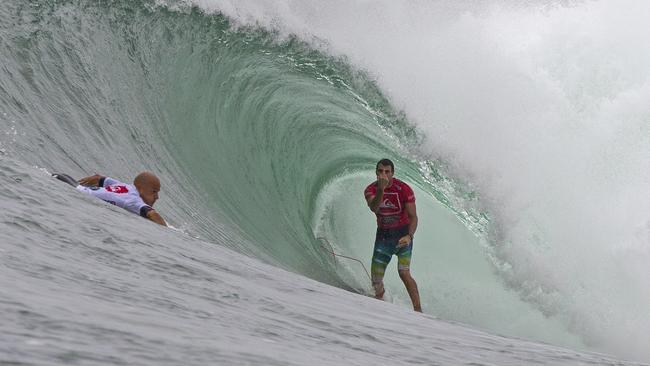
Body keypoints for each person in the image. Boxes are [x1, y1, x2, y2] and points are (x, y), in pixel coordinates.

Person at [364, 158, 421, 312]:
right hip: (383, 237)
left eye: (387, 172)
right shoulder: (370, 190)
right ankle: (381, 305)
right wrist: (381, 190)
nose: (384, 175)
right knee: (376, 280)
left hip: (403, 235)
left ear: (393, 173)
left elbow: (414, 217)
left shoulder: (404, 189)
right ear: (376, 172)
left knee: (404, 272)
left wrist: (410, 236)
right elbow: (374, 208)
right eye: (380, 171)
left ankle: (419, 311)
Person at [52, 171, 167, 226]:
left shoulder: (126, 187)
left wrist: (83, 182)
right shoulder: (133, 200)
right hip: (75, 190)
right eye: (154, 192)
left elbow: (98, 179)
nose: (157, 197)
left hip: (71, 182)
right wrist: (168, 231)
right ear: (141, 189)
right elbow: (152, 214)